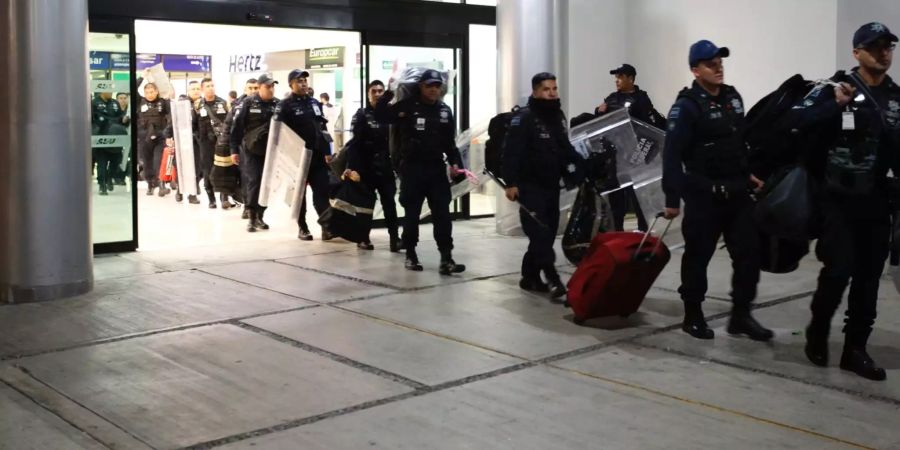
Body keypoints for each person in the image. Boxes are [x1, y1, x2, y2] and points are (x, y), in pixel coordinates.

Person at [787, 23, 900, 381]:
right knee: (837, 272)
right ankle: (818, 329)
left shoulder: (896, 96)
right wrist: (833, 107)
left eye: (888, 46)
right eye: (876, 46)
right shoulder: (836, 87)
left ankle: (855, 349)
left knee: (869, 279)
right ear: (857, 52)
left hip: (878, 201)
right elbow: (797, 121)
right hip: (837, 199)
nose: (885, 52)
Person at [661, 40, 773, 341]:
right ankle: (693, 314)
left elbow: (738, 143)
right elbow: (671, 155)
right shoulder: (686, 107)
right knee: (698, 256)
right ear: (695, 70)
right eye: (711, 63)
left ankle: (741, 315)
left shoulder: (732, 98)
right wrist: (672, 198)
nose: (718, 66)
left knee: (749, 255)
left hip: (737, 194)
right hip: (703, 196)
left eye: (720, 61)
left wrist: (747, 173)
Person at [375, 69, 465, 274]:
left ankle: (446, 258)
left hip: (435, 169)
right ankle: (411, 255)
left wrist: (455, 164)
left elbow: (449, 143)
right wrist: (389, 91)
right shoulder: (407, 107)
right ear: (420, 87)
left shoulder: (444, 110)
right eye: (429, 86)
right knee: (412, 214)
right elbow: (381, 115)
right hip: (412, 169)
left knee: (442, 214)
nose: (434, 89)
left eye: (437, 86)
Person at [503, 72, 584, 299]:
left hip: (551, 186)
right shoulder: (525, 118)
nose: (552, 93)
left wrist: (581, 165)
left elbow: (565, 147)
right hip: (530, 187)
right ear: (536, 91)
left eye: (554, 89)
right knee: (539, 234)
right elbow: (511, 153)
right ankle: (553, 279)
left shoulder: (557, 116)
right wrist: (511, 183)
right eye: (547, 89)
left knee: (546, 236)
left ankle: (529, 277)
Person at [596, 63, 667, 232]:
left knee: (637, 195)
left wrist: (643, 154)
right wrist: (599, 111)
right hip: (616, 155)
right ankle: (617, 230)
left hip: (635, 154)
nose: (617, 80)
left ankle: (643, 229)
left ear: (631, 79)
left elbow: (649, 127)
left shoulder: (641, 99)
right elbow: (602, 119)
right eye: (616, 77)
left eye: (620, 77)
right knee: (616, 196)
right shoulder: (612, 98)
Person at [275, 69, 334, 241]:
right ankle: (303, 227)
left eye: (305, 81)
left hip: (316, 156)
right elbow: (278, 133)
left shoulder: (314, 102)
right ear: (291, 84)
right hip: (297, 157)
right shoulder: (284, 105)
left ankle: (326, 227)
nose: (303, 84)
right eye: (299, 81)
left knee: (322, 192)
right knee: (299, 195)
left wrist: (328, 152)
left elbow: (322, 128)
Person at [346, 80, 402, 252]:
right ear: (368, 94)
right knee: (365, 206)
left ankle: (395, 239)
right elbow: (354, 144)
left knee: (389, 204)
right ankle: (363, 238)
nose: (377, 94)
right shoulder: (361, 115)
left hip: (385, 167)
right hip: (366, 168)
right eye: (374, 91)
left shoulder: (391, 115)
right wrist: (352, 168)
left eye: (380, 91)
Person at [230, 74, 279, 232]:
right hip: (251, 150)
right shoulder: (248, 103)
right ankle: (251, 216)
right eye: (267, 86)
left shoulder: (278, 104)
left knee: (266, 185)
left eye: (273, 86)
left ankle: (260, 216)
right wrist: (233, 150)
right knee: (254, 181)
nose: (271, 89)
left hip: (271, 151)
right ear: (260, 87)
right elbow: (236, 127)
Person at [193, 78, 233, 209]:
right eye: (207, 86)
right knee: (207, 170)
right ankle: (211, 199)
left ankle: (224, 197)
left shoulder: (223, 103)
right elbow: (193, 125)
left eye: (212, 85)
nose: (211, 88)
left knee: (223, 169)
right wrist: (198, 137)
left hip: (221, 142)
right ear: (203, 89)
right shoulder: (198, 105)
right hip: (205, 143)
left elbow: (229, 122)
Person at [226, 78, 259, 220]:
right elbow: (228, 126)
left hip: (261, 147)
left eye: (255, 88)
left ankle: (257, 209)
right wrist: (228, 147)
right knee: (247, 178)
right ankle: (248, 207)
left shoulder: (269, 103)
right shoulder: (238, 106)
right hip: (244, 147)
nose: (253, 91)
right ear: (245, 89)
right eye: (250, 88)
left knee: (258, 179)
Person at [135, 83, 173, 197]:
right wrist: (142, 76)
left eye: (152, 92)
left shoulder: (163, 101)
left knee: (159, 161)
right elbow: (133, 86)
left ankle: (162, 185)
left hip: (160, 136)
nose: (150, 94)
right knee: (147, 163)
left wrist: (169, 134)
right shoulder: (140, 102)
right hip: (144, 137)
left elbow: (171, 115)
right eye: (147, 92)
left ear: (156, 91)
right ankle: (150, 185)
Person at [91, 90, 127, 196]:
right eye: (108, 91)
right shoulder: (94, 103)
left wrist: (124, 120)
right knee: (102, 163)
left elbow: (120, 116)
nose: (110, 93)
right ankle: (102, 185)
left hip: (115, 136)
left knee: (116, 162)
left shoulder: (114, 103)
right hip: (100, 137)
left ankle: (109, 178)